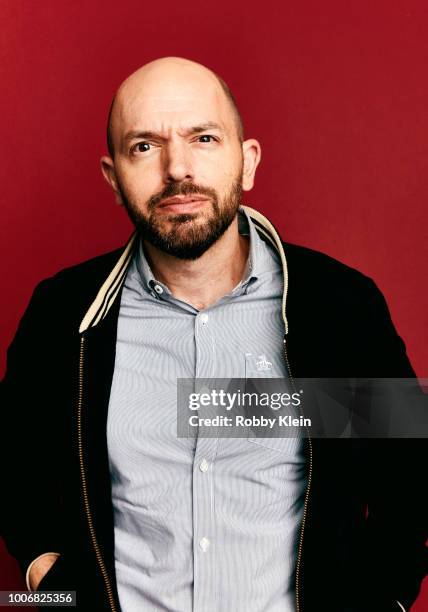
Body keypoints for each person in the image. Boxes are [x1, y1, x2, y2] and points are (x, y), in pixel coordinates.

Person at [1, 57, 426, 612]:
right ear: (113, 178)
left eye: (203, 137)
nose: (178, 168)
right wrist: (48, 583)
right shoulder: (64, 314)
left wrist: (382, 602)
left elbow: (410, 476)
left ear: (247, 162)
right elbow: (15, 463)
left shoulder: (340, 309)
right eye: (144, 147)